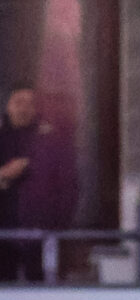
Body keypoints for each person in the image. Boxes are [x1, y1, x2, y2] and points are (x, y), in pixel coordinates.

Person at [0, 85, 77, 282]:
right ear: (7, 106)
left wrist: (58, 225)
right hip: (3, 234)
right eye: (18, 102)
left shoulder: (52, 142)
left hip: (40, 234)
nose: (23, 109)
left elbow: (69, 185)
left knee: (41, 293)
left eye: (30, 104)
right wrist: (5, 174)